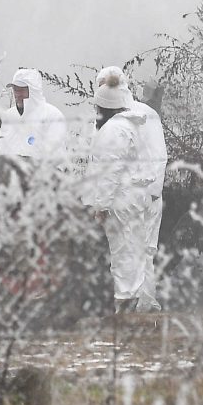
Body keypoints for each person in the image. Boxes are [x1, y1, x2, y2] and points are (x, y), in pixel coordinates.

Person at [83, 66, 168, 313]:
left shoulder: (116, 126)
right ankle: (146, 305)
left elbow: (107, 169)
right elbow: (154, 156)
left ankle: (129, 307)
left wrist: (99, 203)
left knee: (126, 253)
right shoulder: (135, 118)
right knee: (141, 253)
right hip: (144, 192)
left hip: (127, 195)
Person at [0, 68, 67, 161]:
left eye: (22, 90)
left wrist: (27, 164)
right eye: (15, 89)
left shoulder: (52, 116)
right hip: (8, 174)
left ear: (34, 91)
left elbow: (56, 158)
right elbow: (0, 150)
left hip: (41, 174)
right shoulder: (9, 116)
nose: (17, 94)